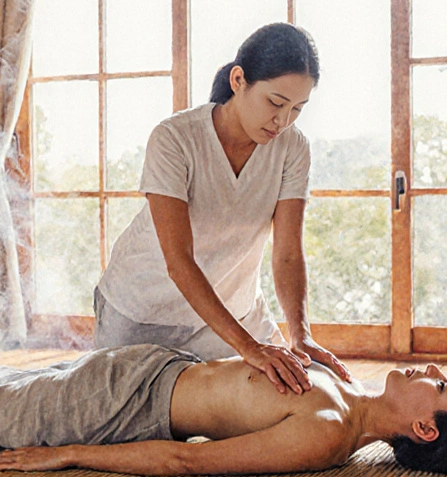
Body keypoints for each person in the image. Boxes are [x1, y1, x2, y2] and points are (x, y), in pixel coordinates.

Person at [94, 23, 346, 397]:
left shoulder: (292, 148)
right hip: (144, 313)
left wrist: (300, 335)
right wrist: (249, 349)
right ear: (239, 79)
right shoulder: (175, 138)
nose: (283, 120)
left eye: (297, 108)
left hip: (234, 312)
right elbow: (179, 261)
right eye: (275, 103)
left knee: (309, 396)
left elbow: (288, 253)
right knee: (134, 426)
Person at [0, 344, 447, 477]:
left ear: (424, 428)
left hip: (125, 406)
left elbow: (183, 460)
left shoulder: (324, 437)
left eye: (443, 388)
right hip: (149, 365)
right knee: (8, 393)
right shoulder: (342, 385)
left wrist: (71, 455)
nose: (432, 373)